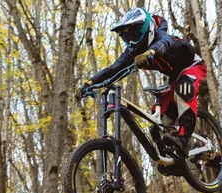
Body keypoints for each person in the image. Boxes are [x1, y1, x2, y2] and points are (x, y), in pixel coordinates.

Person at [79, 7, 207, 158]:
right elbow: (112, 69)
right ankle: (176, 156)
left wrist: (151, 52)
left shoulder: (161, 36)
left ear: (146, 29)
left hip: (193, 67)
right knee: (159, 118)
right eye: (127, 38)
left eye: (134, 35)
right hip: (174, 79)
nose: (131, 41)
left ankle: (184, 140)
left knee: (184, 89)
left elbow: (165, 43)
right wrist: (90, 82)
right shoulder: (133, 51)